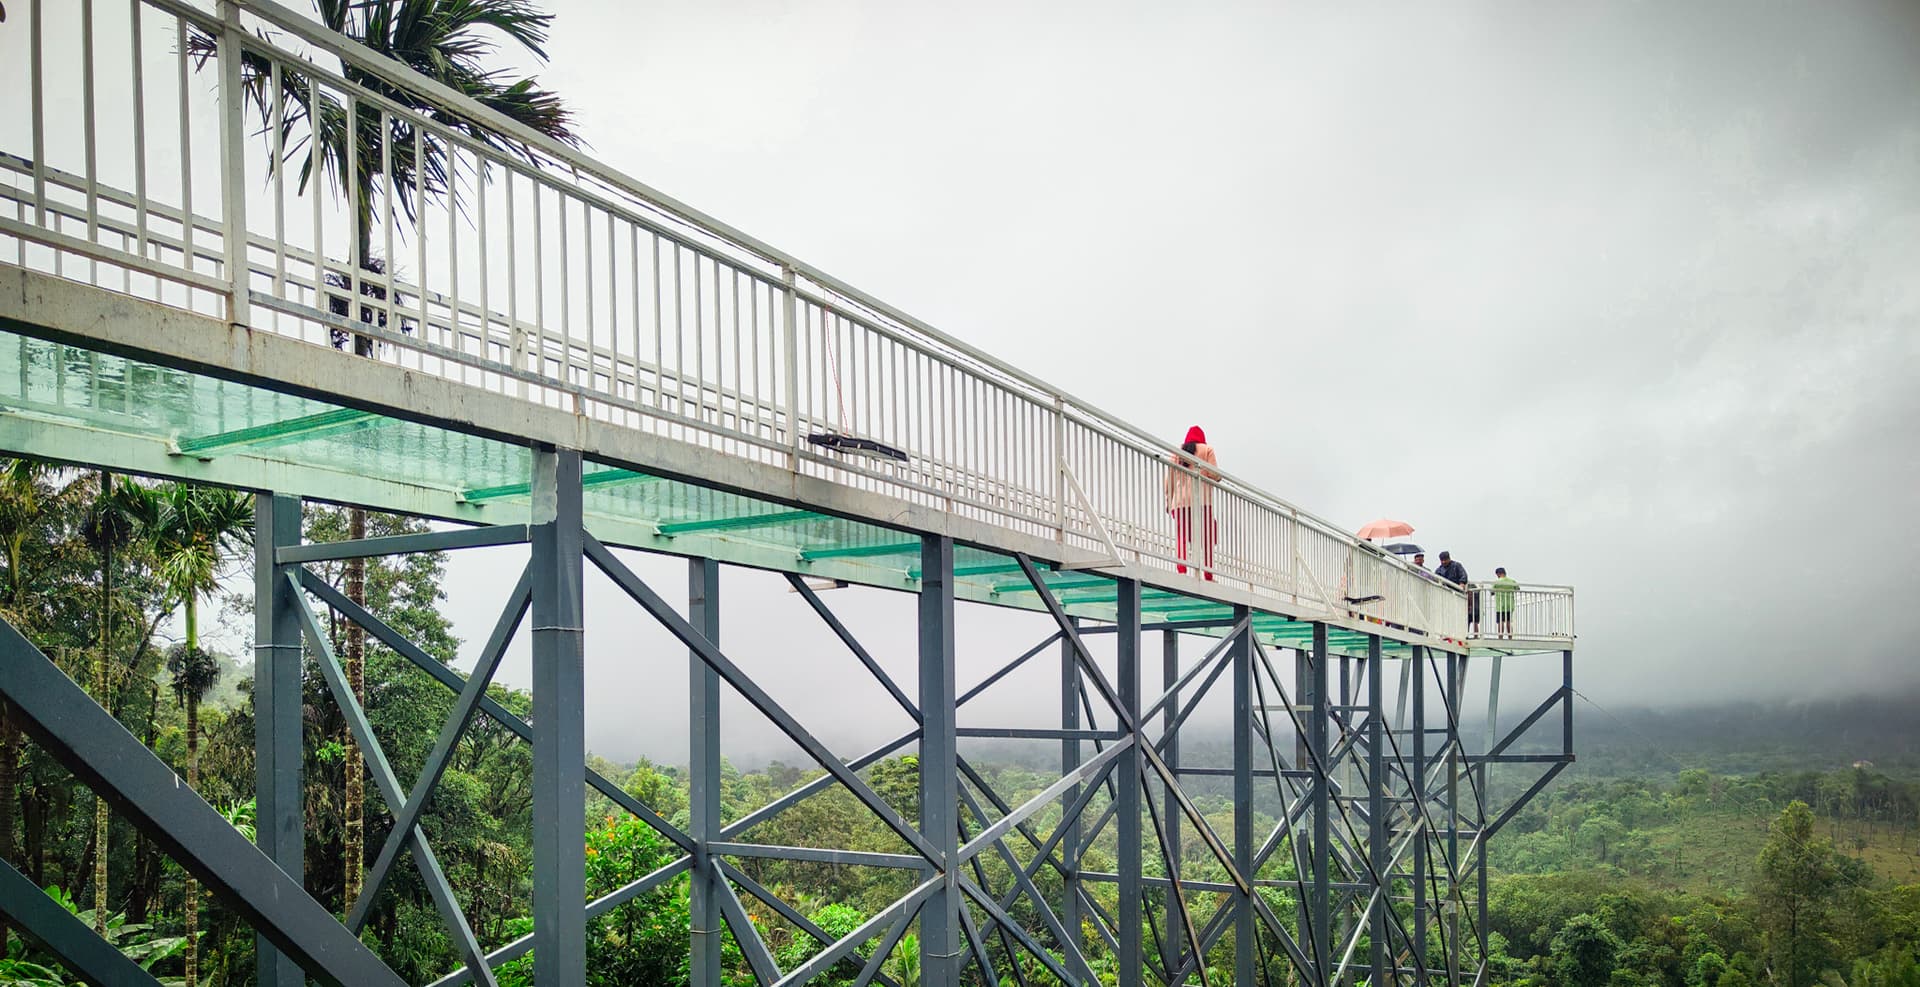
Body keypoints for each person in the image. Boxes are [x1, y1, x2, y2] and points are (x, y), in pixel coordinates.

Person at [1164, 425, 1220, 580]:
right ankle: (1208, 574)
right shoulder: (1207, 449)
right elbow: (1214, 474)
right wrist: (1217, 478)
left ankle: (1182, 569)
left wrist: (1169, 502)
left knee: (1182, 536)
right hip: (1202, 502)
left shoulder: (1177, 452)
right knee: (1207, 537)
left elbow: (1170, 480)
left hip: (1180, 502)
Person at [1435, 550, 1477, 634]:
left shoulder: (1456, 565)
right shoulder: (1439, 570)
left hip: (1457, 593)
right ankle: (1447, 632)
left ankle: (1461, 632)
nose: (1443, 562)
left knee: (1459, 614)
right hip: (1445, 594)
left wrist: (1462, 583)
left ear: (1449, 558)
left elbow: (1463, 575)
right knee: (1447, 614)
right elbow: (1436, 578)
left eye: (1445, 560)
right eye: (1442, 560)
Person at [1492, 567, 1519, 637]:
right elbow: (1517, 589)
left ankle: (1500, 637)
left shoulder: (1497, 582)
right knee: (1508, 622)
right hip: (1509, 604)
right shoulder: (1512, 581)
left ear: (1498, 574)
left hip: (1500, 605)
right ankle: (1510, 637)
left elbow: (1492, 591)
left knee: (1500, 622)